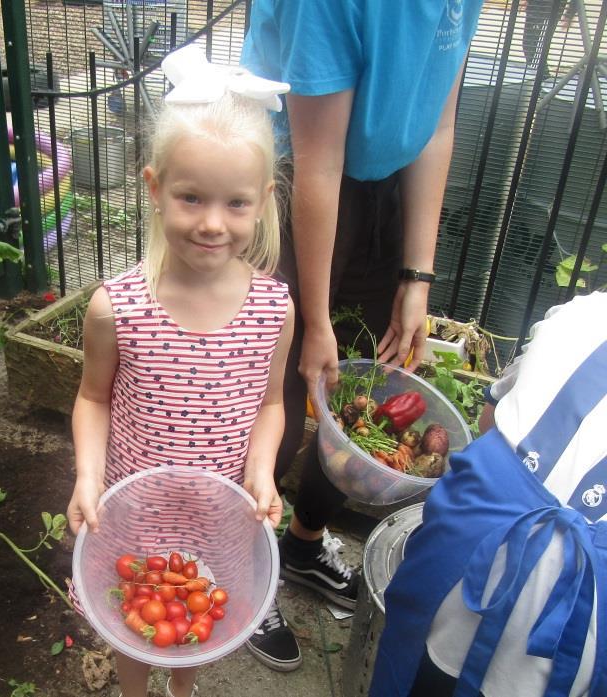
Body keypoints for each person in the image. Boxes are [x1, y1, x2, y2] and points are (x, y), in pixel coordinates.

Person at [240, 0, 484, 671]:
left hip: (382, 184)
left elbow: (438, 126)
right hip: (295, 182)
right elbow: (318, 163)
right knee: (279, 395)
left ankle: (303, 539)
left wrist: (416, 279)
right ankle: (244, 568)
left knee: (365, 393)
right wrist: (314, 322)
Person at [66, 45, 294, 697]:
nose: (212, 223)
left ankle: (183, 690)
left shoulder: (274, 309)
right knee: (134, 621)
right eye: (192, 197)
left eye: (235, 203)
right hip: (134, 511)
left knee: (201, 613)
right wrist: (87, 475)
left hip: (218, 512)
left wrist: (260, 469)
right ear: (155, 188)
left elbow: (272, 404)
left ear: (263, 200)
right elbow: (93, 398)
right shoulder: (119, 307)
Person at [373, 290, 607, 696]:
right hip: (583, 610)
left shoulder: (581, 312)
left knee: (416, 673)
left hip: (471, 542)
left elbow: (488, 419)